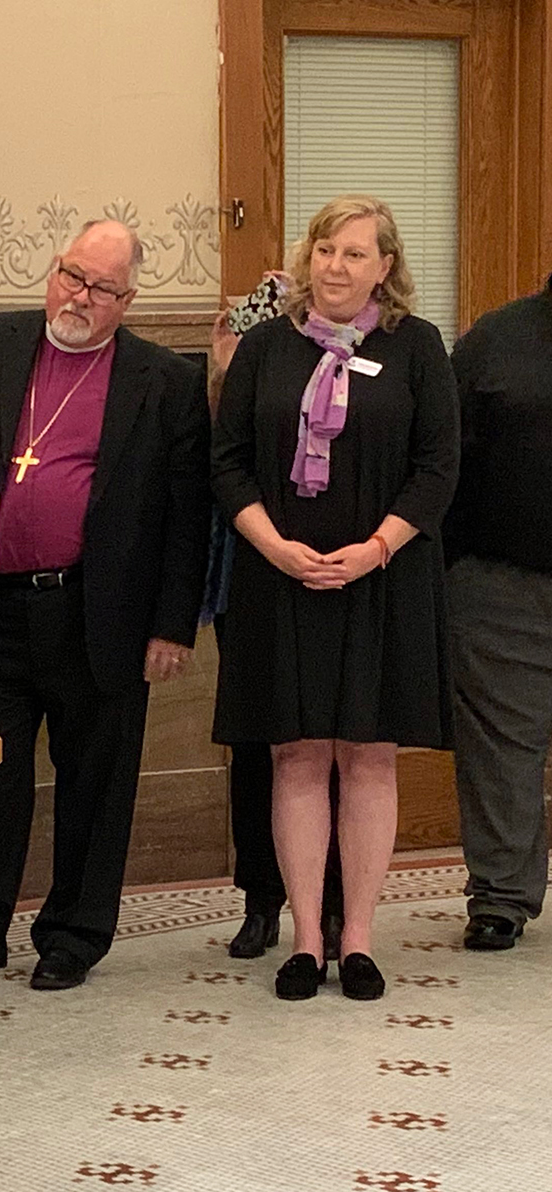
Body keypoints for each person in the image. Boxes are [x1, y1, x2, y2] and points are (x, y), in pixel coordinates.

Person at [0, 219, 211, 991]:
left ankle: (75, 932)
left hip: (99, 609)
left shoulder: (164, 379)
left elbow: (185, 512)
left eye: (100, 289)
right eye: (71, 276)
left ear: (126, 301)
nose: (80, 297)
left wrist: (172, 623)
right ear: (52, 271)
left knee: (96, 777)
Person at [213, 195, 457, 1002]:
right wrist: (276, 546)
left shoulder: (418, 347)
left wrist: (377, 548)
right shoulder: (265, 348)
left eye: (356, 254)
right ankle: (305, 941)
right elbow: (229, 462)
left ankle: (357, 940)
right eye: (325, 249)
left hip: (383, 578)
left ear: (386, 267)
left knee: (369, 754)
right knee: (297, 754)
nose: (336, 266)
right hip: (278, 577)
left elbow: (438, 468)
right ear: (307, 256)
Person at [205, 275, 344, 960]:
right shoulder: (242, 376)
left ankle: (338, 909)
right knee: (262, 746)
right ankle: (262, 899)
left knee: (342, 749)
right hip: (255, 578)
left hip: (339, 572)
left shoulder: (346, 370)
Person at [445, 272, 552, 953]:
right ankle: (501, 895)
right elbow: (445, 459)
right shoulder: (496, 339)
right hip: (501, 586)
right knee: (500, 751)